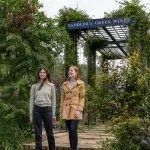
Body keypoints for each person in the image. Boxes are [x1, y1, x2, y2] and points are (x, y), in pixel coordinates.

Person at [29, 68, 56, 150]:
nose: (42, 73)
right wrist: (31, 115)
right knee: (38, 133)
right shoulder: (34, 86)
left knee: (49, 132)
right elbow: (31, 101)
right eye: (40, 72)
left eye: (44, 72)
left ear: (46, 74)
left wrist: (53, 114)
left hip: (47, 109)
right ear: (38, 74)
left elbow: (54, 101)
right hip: (37, 110)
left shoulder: (51, 86)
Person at [60, 65, 85, 150]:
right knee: (70, 131)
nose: (70, 72)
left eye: (72, 71)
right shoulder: (64, 84)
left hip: (75, 110)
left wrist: (79, 110)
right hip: (66, 110)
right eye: (69, 70)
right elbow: (62, 98)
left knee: (73, 129)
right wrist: (61, 111)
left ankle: (74, 148)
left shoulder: (81, 83)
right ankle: (72, 148)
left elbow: (82, 97)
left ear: (76, 72)